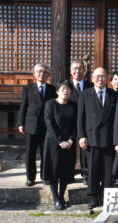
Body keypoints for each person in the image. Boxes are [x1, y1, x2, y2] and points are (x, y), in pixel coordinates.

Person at [77, 67, 118, 209]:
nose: (100, 79)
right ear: (92, 78)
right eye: (97, 76)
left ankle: (107, 197)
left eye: (103, 76)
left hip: (108, 138)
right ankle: (92, 197)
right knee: (93, 170)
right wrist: (81, 136)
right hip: (91, 137)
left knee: (108, 171)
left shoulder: (114, 95)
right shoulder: (85, 94)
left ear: (107, 78)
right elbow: (80, 118)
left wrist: (117, 140)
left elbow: (117, 120)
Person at [17, 63, 57, 186]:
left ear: (48, 75)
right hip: (31, 125)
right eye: (39, 71)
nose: (41, 74)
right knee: (30, 153)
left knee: (46, 152)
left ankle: (45, 176)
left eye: (44, 72)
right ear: (34, 74)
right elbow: (23, 107)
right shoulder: (28, 88)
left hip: (46, 126)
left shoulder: (52, 89)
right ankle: (30, 177)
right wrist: (20, 123)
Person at [43, 80, 77, 210]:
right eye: (63, 88)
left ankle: (62, 196)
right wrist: (59, 141)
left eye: (68, 89)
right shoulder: (50, 104)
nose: (65, 91)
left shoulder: (73, 106)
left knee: (65, 171)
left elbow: (75, 125)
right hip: (53, 142)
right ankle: (56, 198)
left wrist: (70, 140)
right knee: (53, 170)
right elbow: (49, 123)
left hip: (68, 144)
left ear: (71, 92)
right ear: (57, 91)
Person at [68, 60, 94, 185]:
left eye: (80, 69)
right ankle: (69, 172)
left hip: (86, 121)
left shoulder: (90, 86)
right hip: (69, 121)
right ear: (70, 71)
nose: (77, 71)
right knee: (70, 147)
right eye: (75, 69)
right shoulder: (66, 85)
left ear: (84, 71)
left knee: (85, 148)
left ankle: (85, 174)